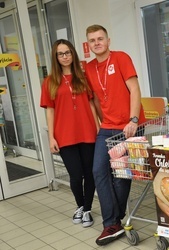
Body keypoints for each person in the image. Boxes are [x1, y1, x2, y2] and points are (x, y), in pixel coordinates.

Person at [84, 24, 146, 246]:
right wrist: (100, 123)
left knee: (121, 174)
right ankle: (114, 221)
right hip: (107, 127)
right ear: (88, 44)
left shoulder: (121, 58)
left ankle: (112, 223)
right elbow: (95, 99)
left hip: (130, 126)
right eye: (92, 40)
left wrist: (133, 119)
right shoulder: (89, 69)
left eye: (100, 39)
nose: (97, 43)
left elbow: (135, 89)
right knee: (98, 170)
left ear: (108, 41)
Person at [40, 39, 99, 228]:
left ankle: (87, 209)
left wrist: (98, 127)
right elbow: (49, 109)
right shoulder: (50, 81)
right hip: (64, 134)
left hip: (87, 131)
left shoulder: (83, 76)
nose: (64, 56)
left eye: (67, 52)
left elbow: (91, 103)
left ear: (73, 54)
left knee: (90, 173)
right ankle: (80, 206)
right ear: (55, 57)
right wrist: (51, 137)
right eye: (60, 53)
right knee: (75, 175)